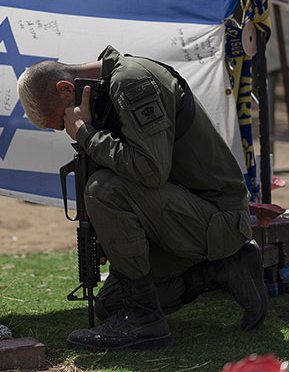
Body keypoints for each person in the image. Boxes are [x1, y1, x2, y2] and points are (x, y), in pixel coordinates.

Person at [17, 46, 267, 351]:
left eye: (62, 121)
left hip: (218, 218)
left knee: (103, 189)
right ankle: (221, 269)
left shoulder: (132, 82)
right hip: (187, 218)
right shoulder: (108, 91)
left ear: (66, 90)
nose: (67, 128)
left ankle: (145, 322)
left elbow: (150, 171)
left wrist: (86, 134)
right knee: (111, 304)